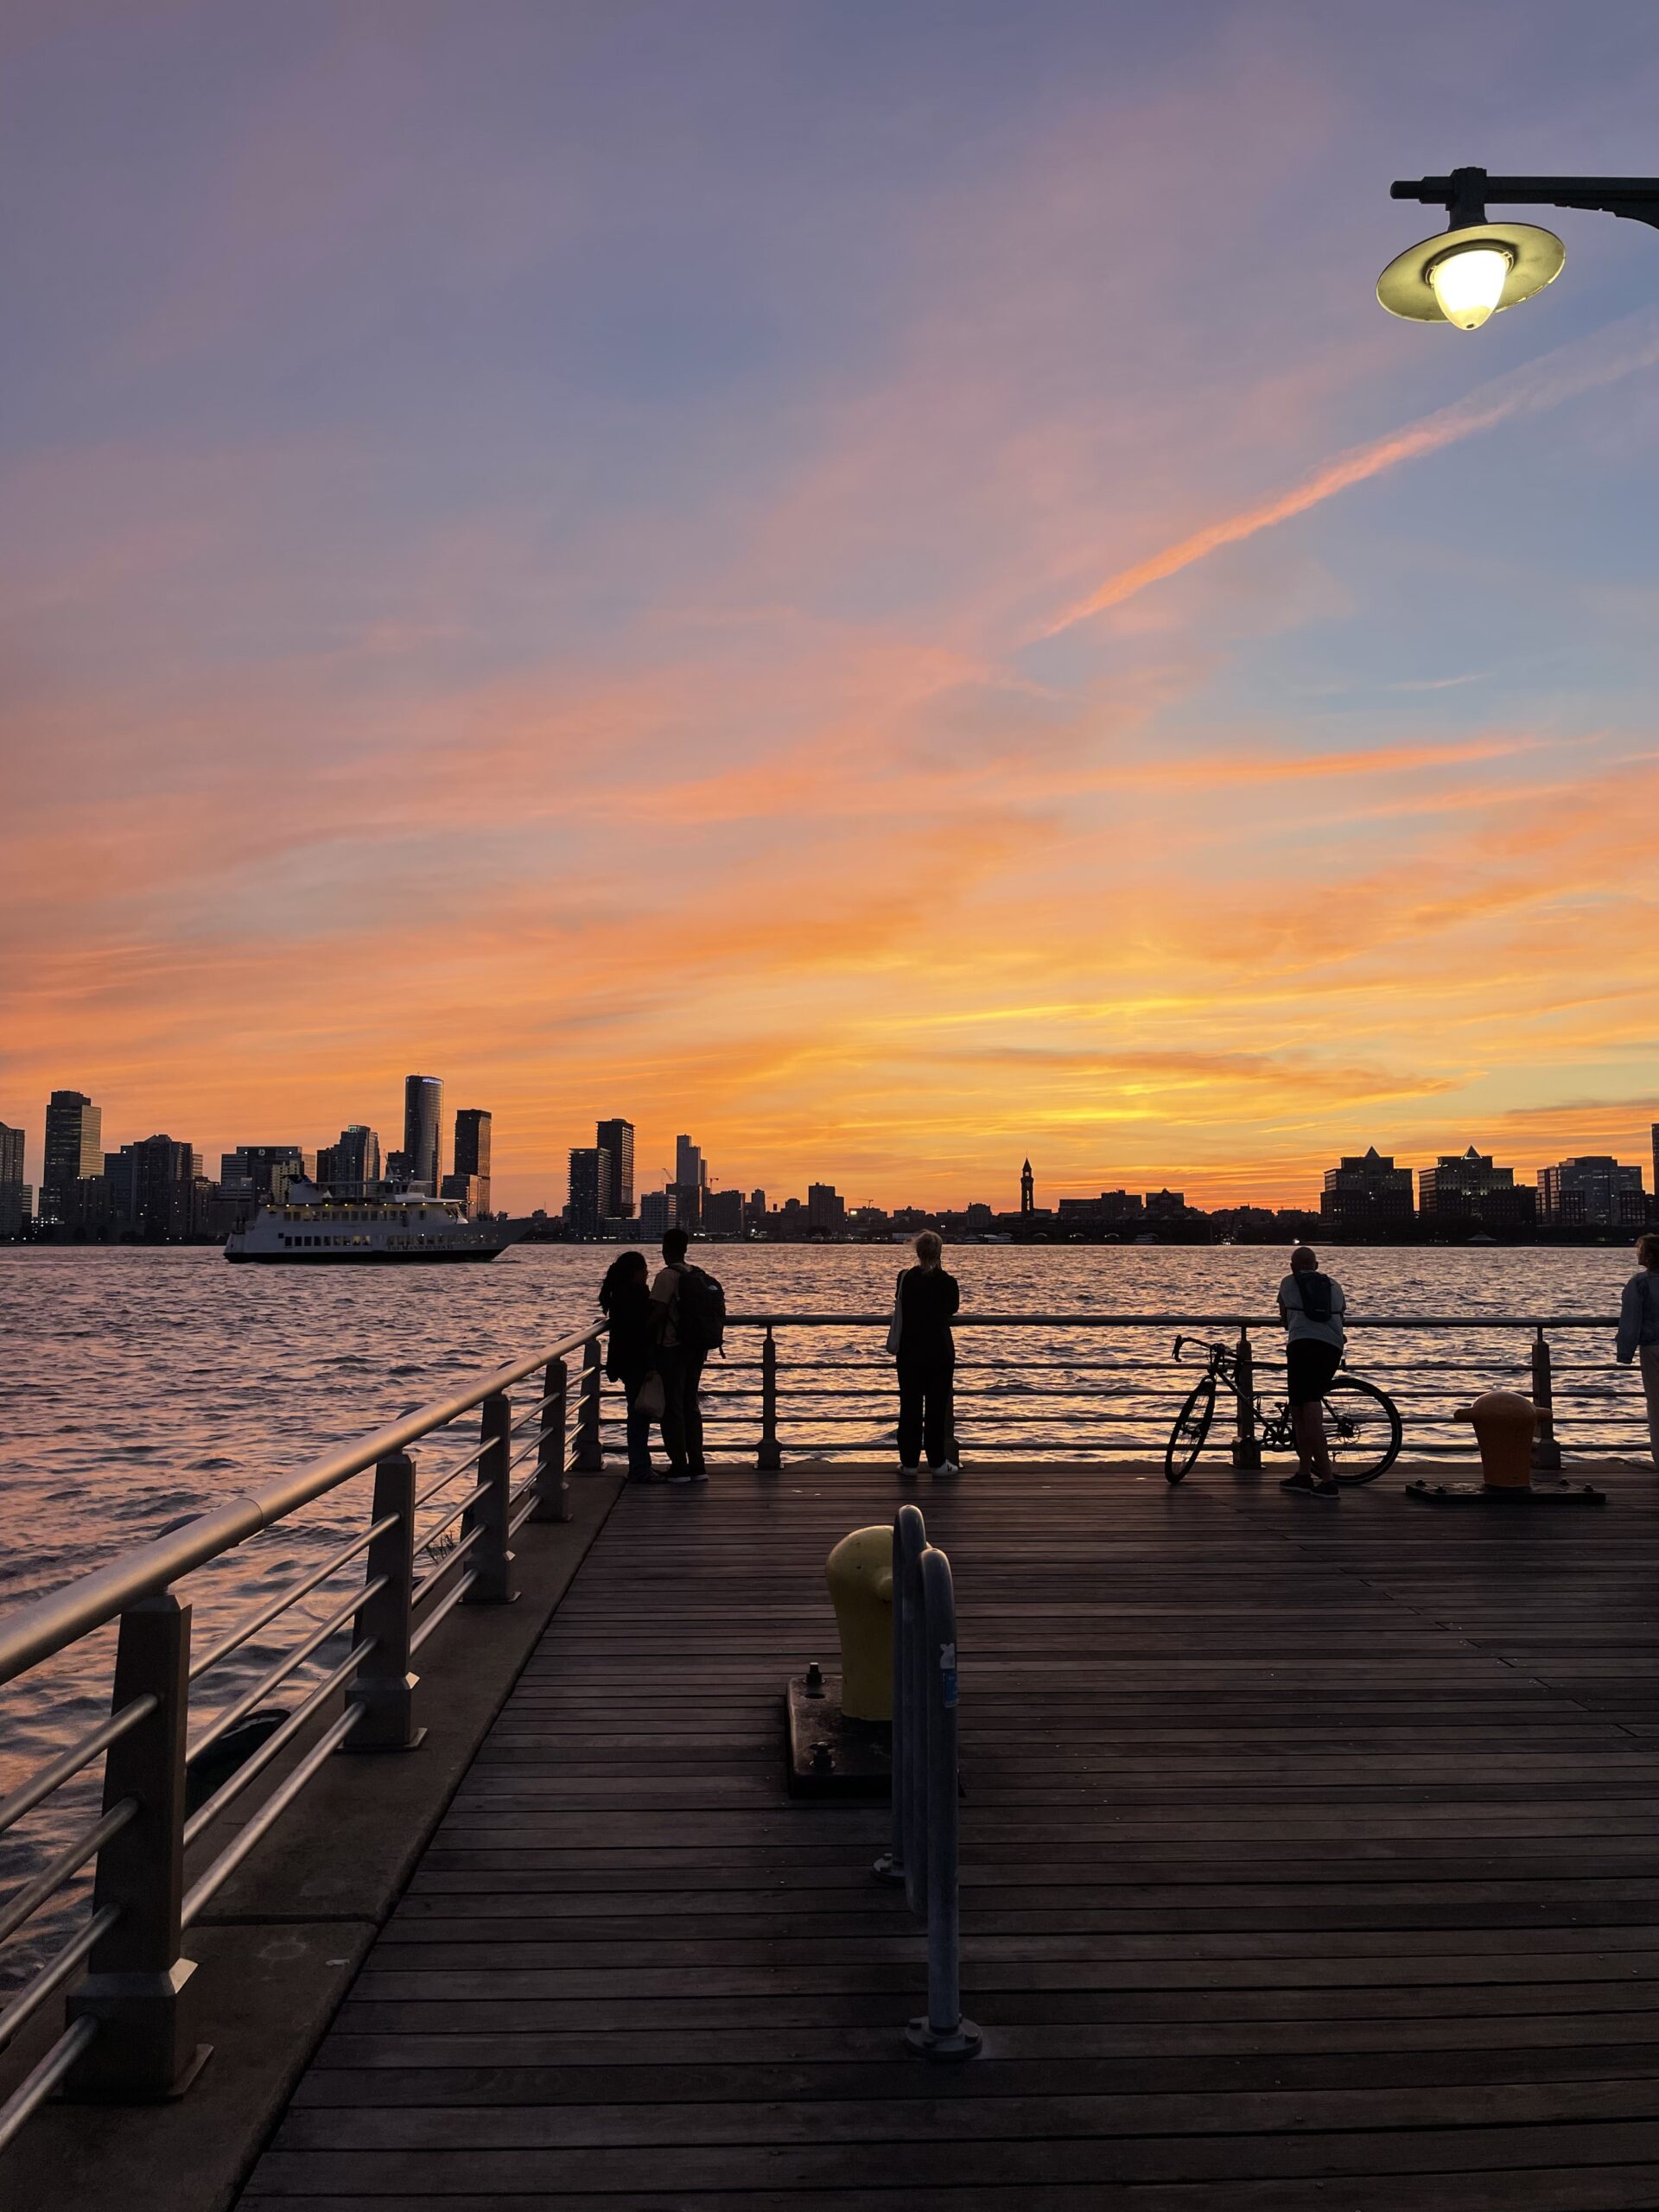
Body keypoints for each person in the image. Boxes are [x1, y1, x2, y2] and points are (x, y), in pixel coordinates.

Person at [1276, 1245, 1347, 1499]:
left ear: (1293, 1266)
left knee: (1307, 1407)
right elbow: (1342, 1315)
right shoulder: (1334, 1286)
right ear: (1316, 1266)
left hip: (1302, 1345)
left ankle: (1327, 1479)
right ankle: (1304, 1473)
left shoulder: (1288, 1283)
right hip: (1331, 1347)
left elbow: (1284, 1319)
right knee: (1298, 1407)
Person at [893, 1230, 961, 1475]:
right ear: (939, 1253)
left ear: (917, 1252)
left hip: (910, 1350)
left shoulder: (905, 1279)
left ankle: (909, 1463)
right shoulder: (947, 1282)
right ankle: (938, 1462)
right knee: (936, 1407)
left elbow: (899, 1304)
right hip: (939, 1350)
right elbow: (952, 1308)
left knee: (909, 1406)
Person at [651, 1225, 707, 1484]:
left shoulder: (667, 1276)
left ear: (665, 1248)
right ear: (685, 1248)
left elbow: (657, 1314)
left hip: (672, 1349)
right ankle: (698, 1465)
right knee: (691, 1405)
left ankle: (679, 1467)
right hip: (696, 1348)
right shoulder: (696, 1273)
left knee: (672, 1408)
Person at [599, 1251, 656, 1479]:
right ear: (636, 1272)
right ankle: (640, 1468)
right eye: (644, 1269)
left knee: (636, 1412)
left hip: (623, 1359)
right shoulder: (638, 1294)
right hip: (638, 1360)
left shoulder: (617, 1294)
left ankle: (640, 1465)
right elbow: (646, 1326)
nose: (647, 1272)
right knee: (640, 1416)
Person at [1617, 1233, 1659, 1469]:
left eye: (1640, 1250)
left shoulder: (1640, 1283)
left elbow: (1630, 1321)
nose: (1637, 1253)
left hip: (1653, 1347)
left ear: (1650, 1256)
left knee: (1656, 1404)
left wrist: (1625, 1353)